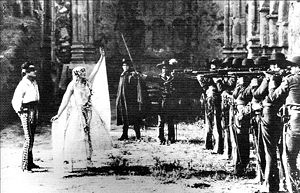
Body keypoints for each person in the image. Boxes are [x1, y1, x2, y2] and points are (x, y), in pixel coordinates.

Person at [51, 48, 112, 173]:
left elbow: (96, 71)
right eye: (82, 73)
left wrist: (101, 58)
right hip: (77, 112)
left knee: (88, 135)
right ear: (77, 74)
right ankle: (70, 159)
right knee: (74, 135)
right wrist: (59, 114)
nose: (84, 74)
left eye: (84, 72)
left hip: (89, 111)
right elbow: (65, 101)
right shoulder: (72, 85)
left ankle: (88, 159)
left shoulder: (87, 83)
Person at [253, 52, 288, 192]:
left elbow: (258, 94)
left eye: (274, 64)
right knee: (282, 150)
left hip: (270, 115)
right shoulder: (287, 77)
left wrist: (268, 80)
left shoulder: (273, 78)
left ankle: (270, 184)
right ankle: (284, 181)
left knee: (269, 150)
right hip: (283, 116)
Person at [268, 56, 300, 193]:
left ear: (298, 67)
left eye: (292, 66)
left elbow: (273, 97)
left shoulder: (290, 80)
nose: (290, 68)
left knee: (289, 157)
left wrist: (271, 83)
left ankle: (293, 187)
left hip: (295, 122)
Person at [12, 61, 40, 172]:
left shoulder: (34, 82)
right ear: (26, 72)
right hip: (26, 110)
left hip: (34, 109)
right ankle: (24, 165)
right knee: (28, 138)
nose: (35, 71)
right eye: (32, 70)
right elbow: (16, 99)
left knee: (32, 137)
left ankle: (30, 162)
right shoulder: (23, 84)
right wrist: (20, 110)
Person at [116, 58, 143, 140]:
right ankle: (124, 135)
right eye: (124, 65)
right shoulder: (122, 75)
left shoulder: (131, 75)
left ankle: (138, 135)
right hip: (122, 101)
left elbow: (136, 85)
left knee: (134, 118)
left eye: (126, 65)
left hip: (130, 101)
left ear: (129, 66)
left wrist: (136, 76)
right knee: (124, 118)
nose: (125, 67)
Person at [157, 60, 177, 145]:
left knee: (170, 120)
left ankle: (171, 138)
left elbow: (176, 89)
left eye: (166, 68)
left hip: (170, 101)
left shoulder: (172, 78)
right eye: (163, 68)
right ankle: (160, 138)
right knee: (161, 121)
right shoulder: (158, 78)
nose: (164, 70)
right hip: (161, 101)